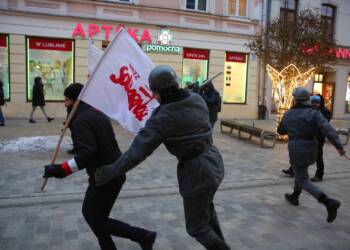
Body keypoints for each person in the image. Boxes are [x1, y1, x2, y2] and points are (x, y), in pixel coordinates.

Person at [94, 65, 230, 250]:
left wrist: (111, 171)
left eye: (155, 93)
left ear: (158, 92)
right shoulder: (197, 99)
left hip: (197, 172)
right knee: (207, 213)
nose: (154, 97)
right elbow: (192, 107)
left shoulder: (162, 117)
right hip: (213, 162)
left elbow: (137, 152)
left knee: (197, 227)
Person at [43, 83, 156, 250]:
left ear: (76, 100)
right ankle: (118, 244)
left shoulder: (81, 120)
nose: (65, 103)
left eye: (67, 100)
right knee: (93, 215)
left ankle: (143, 236)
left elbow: (87, 153)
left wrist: (60, 170)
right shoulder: (95, 112)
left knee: (95, 218)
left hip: (105, 174)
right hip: (111, 171)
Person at [277, 87, 346, 223]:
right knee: (301, 172)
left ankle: (328, 202)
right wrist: (339, 147)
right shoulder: (314, 113)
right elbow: (328, 129)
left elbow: (281, 131)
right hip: (312, 149)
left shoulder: (289, 114)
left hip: (297, 149)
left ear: (295, 99)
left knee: (302, 179)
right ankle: (295, 196)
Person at [281, 94, 331, 182]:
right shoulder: (308, 111)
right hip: (307, 138)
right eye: (313, 102)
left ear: (320, 102)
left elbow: (324, 124)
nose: (314, 104)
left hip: (318, 138)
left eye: (316, 103)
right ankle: (293, 170)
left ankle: (319, 175)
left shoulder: (324, 112)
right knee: (299, 155)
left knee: (318, 157)